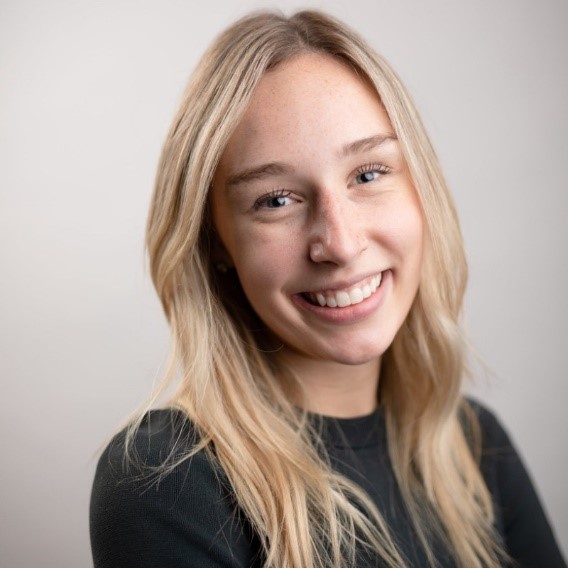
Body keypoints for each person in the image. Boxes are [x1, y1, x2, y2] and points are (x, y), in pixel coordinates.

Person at [90, 10, 566, 568]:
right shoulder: (165, 480)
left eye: (368, 174)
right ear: (215, 241)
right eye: (275, 199)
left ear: (422, 188)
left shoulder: (476, 446)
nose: (339, 244)